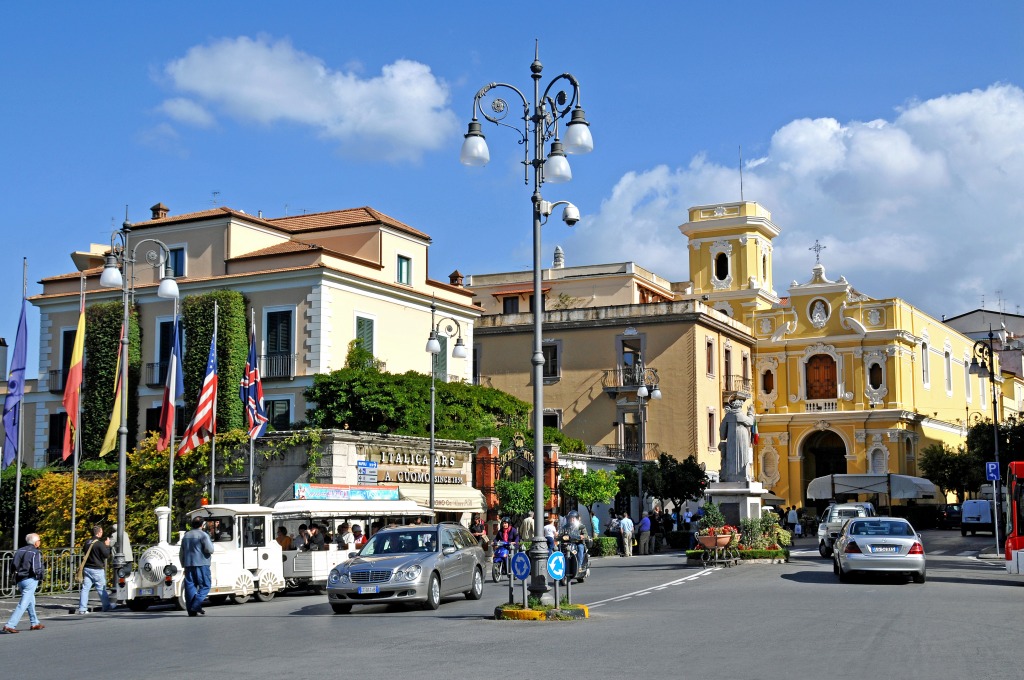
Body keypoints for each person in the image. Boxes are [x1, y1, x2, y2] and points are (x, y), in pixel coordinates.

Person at [4, 533, 45, 633]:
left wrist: (14, 575)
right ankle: (10, 625)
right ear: (36, 542)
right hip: (30, 579)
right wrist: (40, 577)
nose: (40, 542)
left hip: (19, 579)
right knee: (23, 603)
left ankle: (35, 623)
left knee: (31, 601)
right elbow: (36, 568)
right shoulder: (36, 552)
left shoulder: (20, 550)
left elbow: (13, 565)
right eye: (39, 540)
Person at [180, 516, 215, 617]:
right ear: (202, 524)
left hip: (188, 564)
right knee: (205, 585)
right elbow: (210, 549)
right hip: (202, 564)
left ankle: (191, 611)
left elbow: (181, 552)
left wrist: (183, 565)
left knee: (190, 587)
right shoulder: (203, 535)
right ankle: (196, 604)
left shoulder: (186, 536)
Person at [78, 525, 116, 614]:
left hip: (87, 568)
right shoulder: (99, 544)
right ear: (99, 533)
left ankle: (82, 609)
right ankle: (106, 606)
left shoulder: (87, 542)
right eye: (101, 532)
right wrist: (107, 546)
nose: (102, 533)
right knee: (101, 588)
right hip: (97, 569)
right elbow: (106, 555)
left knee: (85, 589)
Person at [719, 396, 755, 482]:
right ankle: (742, 474)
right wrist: (750, 412)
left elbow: (722, 432)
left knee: (730, 457)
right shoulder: (740, 415)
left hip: (731, 441)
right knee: (742, 456)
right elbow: (750, 422)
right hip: (742, 440)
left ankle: (730, 475)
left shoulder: (727, 417)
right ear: (740, 406)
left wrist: (724, 436)